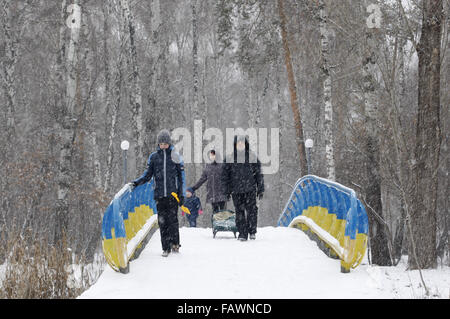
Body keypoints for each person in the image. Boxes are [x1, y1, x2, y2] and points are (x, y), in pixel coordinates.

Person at [129, 129, 185, 257]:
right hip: (159, 195)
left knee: (173, 220)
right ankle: (166, 248)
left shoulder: (175, 156)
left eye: (165, 144)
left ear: (169, 144)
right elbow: (147, 175)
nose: (163, 146)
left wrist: (181, 194)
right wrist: (137, 182)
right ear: (158, 144)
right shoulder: (154, 157)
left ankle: (175, 243)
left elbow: (181, 176)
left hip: (172, 195)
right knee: (162, 222)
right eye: (161, 144)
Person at [223, 135, 264, 241]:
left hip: (250, 189)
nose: (240, 144)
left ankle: (252, 231)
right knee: (239, 212)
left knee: (252, 211)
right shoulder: (229, 158)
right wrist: (226, 191)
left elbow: (259, 174)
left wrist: (260, 188)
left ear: (245, 144)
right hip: (236, 190)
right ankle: (242, 233)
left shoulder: (252, 157)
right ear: (235, 145)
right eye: (238, 143)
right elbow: (225, 176)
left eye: (242, 143)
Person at [191, 150, 228, 214]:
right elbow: (202, 179)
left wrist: (228, 189)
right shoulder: (208, 167)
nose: (212, 157)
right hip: (212, 194)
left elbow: (227, 178)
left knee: (223, 213)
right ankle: (215, 224)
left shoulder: (222, 165)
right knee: (215, 213)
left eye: (213, 155)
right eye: (211, 155)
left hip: (222, 194)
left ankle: (222, 223)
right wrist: (194, 188)